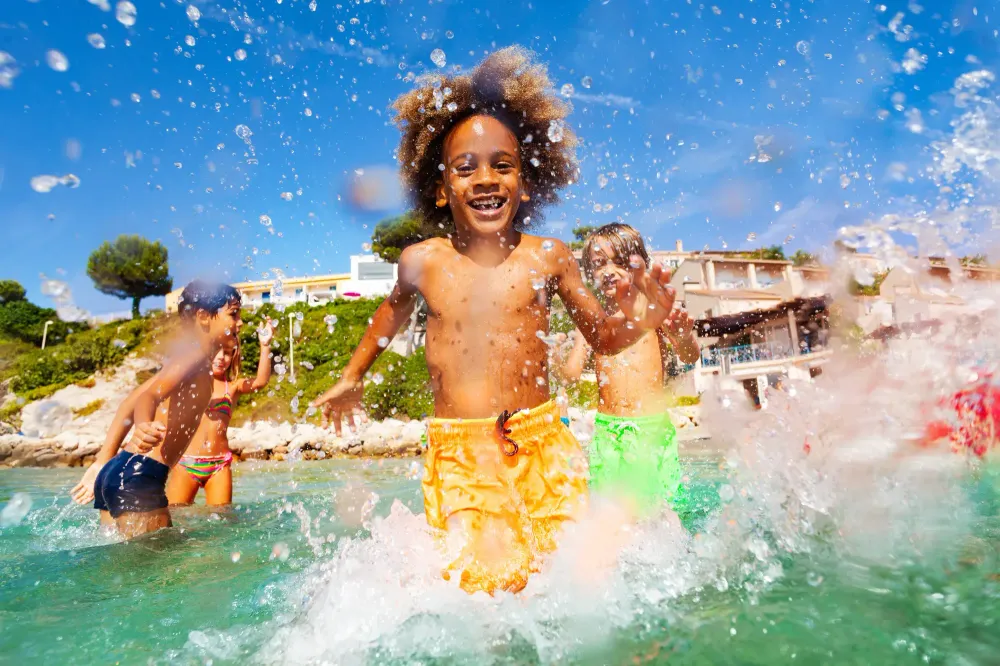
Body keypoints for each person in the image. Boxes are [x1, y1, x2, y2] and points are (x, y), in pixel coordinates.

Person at [311, 47, 680, 595]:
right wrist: (352, 374)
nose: (485, 179)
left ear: (526, 184)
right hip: (463, 448)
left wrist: (642, 320)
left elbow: (602, 336)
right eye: (466, 168)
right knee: (489, 587)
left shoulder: (549, 256)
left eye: (502, 166)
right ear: (440, 188)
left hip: (542, 440)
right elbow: (390, 313)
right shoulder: (423, 260)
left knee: (578, 580)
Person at [70, 281, 242, 539]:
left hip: (118, 470)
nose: (239, 323)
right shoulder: (195, 357)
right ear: (204, 317)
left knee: (126, 570)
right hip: (140, 475)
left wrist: (102, 461)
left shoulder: (189, 360)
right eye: (234, 314)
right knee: (159, 572)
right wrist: (143, 425)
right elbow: (149, 397)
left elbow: (129, 403)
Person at [559, 223, 700, 517]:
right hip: (607, 433)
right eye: (598, 264)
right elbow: (571, 375)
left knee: (666, 513)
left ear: (639, 266)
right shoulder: (593, 321)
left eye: (619, 262)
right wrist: (557, 353)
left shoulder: (650, 309)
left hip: (651, 430)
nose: (608, 271)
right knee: (612, 517)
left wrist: (684, 335)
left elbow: (688, 356)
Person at [164, 319, 276, 506]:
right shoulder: (189, 384)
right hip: (186, 462)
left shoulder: (232, 387)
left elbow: (260, 382)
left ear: (234, 355)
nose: (220, 357)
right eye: (215, 351)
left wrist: (265, 346)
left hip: (219, 464)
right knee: (176, 517)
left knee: (222, 520)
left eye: (226, 353)